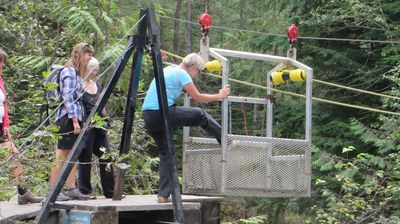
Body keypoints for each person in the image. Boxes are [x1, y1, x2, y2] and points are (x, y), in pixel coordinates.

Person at [142, 53, 230, 203]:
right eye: (199, 71)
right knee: (199, 115)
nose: (197, 75)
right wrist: (219, 95)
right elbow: (198, 97)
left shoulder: (170, 69)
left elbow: (168, 88)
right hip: (162, 112)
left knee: (166, 153)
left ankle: (163, 195)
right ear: (193, 68)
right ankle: (226, 141)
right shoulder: (183, 74)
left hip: (148, 115)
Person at [49, 42, 93, 201]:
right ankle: (53, 190)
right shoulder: (68, 72)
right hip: (66, 119)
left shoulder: (77, 74)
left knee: (73, 154)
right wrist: (74, 120)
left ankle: (71, 188)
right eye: (89, 55)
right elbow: (68, 97)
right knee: (61, 154)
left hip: (76, 118)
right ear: (81, 55)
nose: (90, 58)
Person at [0, 49, 43, 204]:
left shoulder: (0, 78)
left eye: (3, 61)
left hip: (0, 127)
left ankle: (23, 193)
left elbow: (3, 105)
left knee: (13, 155)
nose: (3, 65)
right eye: (0, 61)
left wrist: (6, 126)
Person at [78, 57, 114, 198]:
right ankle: (85, 191)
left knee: (106, 156)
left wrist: (107, 121)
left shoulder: (96, 85)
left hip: (99, 126)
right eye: (94, 68)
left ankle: (110, 191)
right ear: (87, 68)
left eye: (97, 68)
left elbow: (101, 106)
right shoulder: (79, 85)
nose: (96, 71)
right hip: (86, 126)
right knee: (85, 158)